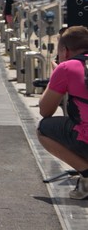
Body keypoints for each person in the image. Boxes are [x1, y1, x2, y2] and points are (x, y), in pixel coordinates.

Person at [38, 26, 88, 200]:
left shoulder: (66, 67)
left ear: (65, 51)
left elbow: (45, 110)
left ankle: (86, 175)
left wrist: (56, 78)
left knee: (43, 129)